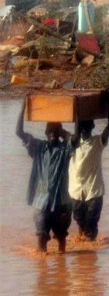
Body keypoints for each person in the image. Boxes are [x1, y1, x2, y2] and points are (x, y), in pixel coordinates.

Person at [16, 100, 74, 253]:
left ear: (60, 133)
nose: (53, 133)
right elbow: (19, 133)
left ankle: (62, 271)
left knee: (61, 242)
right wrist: (23, 107)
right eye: (50, 130)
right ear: (46, 133)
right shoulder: (39, 148)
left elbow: (75, 139)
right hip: (41, 203)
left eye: (55, 130)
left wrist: (64, 129)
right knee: (41, 241)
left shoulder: (65, 149)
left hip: (62, 204)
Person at [68, 90, 109, 241]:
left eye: (86, 127)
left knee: (90, 231)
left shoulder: (97, 142)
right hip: (76, 192)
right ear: (79, 128)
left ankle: (89, 259)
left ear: (92, 127)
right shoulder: (72, 143)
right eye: (82, 127)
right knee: (80, 225)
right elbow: (60, 130)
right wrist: (75, 107)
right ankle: (85, 257)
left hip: (94, 192)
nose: (84, 129)